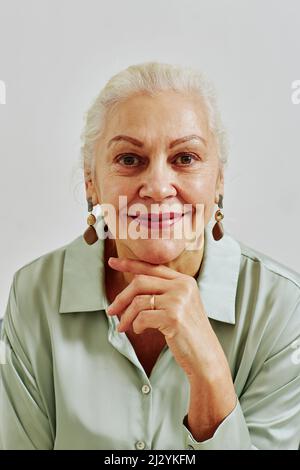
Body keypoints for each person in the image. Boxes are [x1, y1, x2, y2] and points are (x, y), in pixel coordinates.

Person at [0, 62, 299, 450]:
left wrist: (210, 373)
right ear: (92, 183)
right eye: (129, 159)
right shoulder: (34, 293)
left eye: (185, 158)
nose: (157, 187)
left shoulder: (283, 309)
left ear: (219, 179)